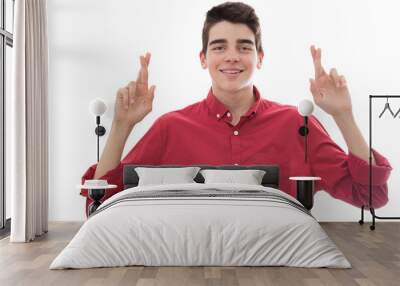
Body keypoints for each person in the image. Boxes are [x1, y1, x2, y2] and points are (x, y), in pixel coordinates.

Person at [81, 2, 392, 217]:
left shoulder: (297, 124)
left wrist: (344, 115)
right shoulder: (171, 127)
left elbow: (370, 197)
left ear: (260, 58)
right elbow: (101, 206)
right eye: (219, 47)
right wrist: (122, 126)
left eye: (244, 47)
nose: (232, 57)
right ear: (203, 58)